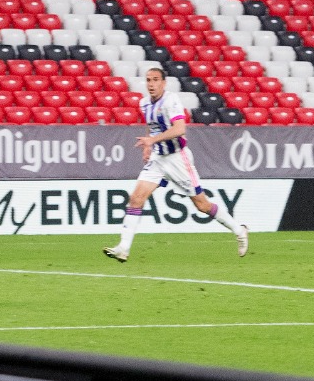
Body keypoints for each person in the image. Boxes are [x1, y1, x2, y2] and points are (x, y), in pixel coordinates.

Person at [103, 67, 249, 263]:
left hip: (177, 159)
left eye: (155, 80)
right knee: (136, 197)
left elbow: (180, 129)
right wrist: (148, 145)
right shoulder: (144, 103)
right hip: (158, 158)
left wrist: (152, 141)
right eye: (148, 80)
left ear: (163, 83)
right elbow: (152, 126)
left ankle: (239, 230)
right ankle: (123, 248)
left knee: (202, 205)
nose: (151, 84)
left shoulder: (171, 101)